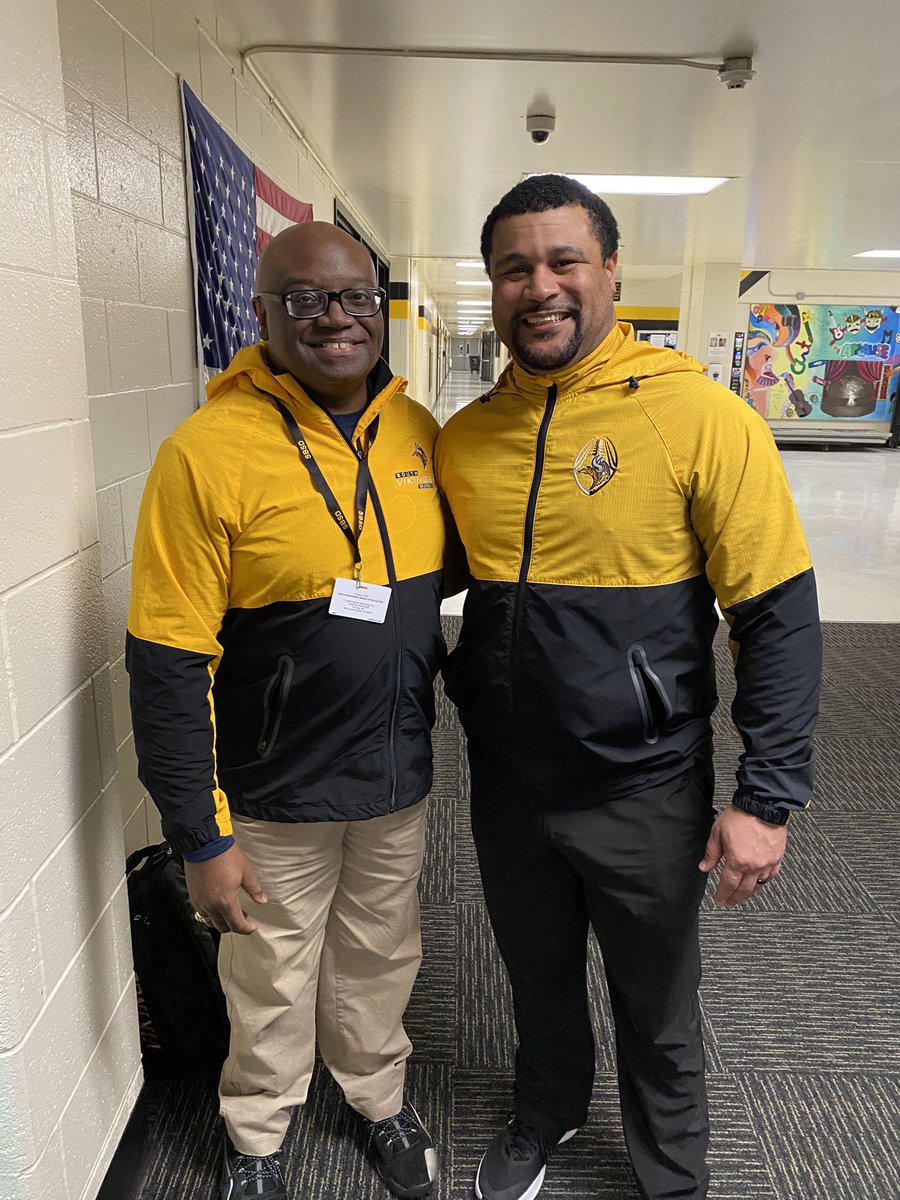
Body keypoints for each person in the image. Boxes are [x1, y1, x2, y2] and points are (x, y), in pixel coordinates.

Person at [434, 175, 821, 1200]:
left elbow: (776, 615)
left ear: (611, 270)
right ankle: (549, 1110)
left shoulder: (699, 417)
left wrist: (766, 798)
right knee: (537, 976)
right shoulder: (466, 439)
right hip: (510, 781)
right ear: (493, 286)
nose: (541, 286)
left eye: (565, 261)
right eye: (515, 267)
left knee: (656, 1001)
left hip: (643, 785)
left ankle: (674, 1174)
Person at [127, 222, 446, 1200]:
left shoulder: (418, 433)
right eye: (306, 299)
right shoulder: (205, 453)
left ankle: (379, 1097)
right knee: (268, 973)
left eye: (357, 298)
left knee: (381, 955)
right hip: (272, 787)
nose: (337, 317)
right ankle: (258, 1136)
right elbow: (166, 662)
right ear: (262, 314)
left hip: (394, 776)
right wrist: (200, 835)